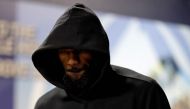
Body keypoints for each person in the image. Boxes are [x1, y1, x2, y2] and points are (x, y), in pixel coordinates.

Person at [32, 3, 171, 109]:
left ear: (96, 50)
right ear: (55, 54)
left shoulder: (145, 93)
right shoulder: (46, 105)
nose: (73, 60)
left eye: (80, 50)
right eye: (65, 51)